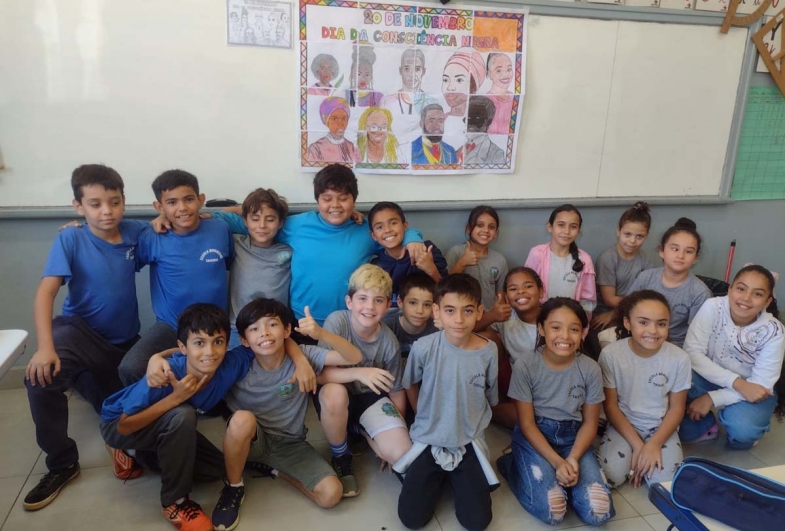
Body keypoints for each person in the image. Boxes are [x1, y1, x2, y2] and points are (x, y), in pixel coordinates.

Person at [22, 164, 146, 511]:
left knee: (125, 409)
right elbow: (45, 293)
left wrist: (170, 218)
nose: (107, 211)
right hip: (77, 332)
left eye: (114, 202)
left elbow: (171, 221)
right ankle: (62, 463)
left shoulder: (136, 232)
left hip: (123, 343)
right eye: (95, 204)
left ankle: (87, 386)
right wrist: (45, 348)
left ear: (124, 202)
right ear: (78, 206)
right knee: (40, 377)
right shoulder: (71, 238)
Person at [211, 298, 364, 530]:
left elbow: (354, 358)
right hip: (251, 440)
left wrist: (321, 334)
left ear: (287, 330)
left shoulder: (303, 356)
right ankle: (234, 487)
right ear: (244, 340)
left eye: (272, 324)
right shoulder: (237, 363)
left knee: (331, 494)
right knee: (242, 419)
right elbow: (198, 361)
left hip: (290, 444)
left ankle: (274, 470)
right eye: (254, 329)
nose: (264, 333)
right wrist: (157, 359)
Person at [212, 164, 425, 327]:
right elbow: (246, 223)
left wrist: (413, 238)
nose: (335, 205)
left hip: (348, 323)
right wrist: (206, 217)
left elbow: (395, 234)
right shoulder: (296, 225)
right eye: (327, 198)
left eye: (343, 198)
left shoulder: (365, 231)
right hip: (300, 321)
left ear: (354, 200)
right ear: (317, 199)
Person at [101, 304, 239, 531]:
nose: (210, 352)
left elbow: (263, 345)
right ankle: (176, 502)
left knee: (216, 468)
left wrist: (300, 361)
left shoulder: (230, 363)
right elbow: (124, 426)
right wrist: (176, 397)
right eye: (199, 343)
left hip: (164, 423)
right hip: (117, 425)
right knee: (182, 415)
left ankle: (135, 453)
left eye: (218, 341)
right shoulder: (164, 374)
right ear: (183, 347)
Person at [496, 298, 615, 526]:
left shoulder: (590, 368)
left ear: (583, 332)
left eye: (574, 329)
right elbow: (527, 423)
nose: (565, 336)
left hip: (573, 438)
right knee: (554, 510)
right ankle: (511, 464)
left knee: (598, 512)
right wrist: (558, 463)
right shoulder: (525, 365)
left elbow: (590, 422)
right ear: (541, 328)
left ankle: (563, 480)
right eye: (556, 327)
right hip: (535, 435)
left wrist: (573, 459)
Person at [395, 274, 499, 531]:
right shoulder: (423, 347)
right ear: (437, 312)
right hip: (429, 437)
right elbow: (409, 382)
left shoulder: (488, 350)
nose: (459, 319)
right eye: (450, 310)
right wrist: (422, 413)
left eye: (467, 310)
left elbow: (490, 395)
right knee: (411, 519)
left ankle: (457, 477)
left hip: (468, 438)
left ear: (479, 312)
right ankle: (437, 476)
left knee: (477, 522)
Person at [118, 170, 234, 386]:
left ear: (201, 200)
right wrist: (80, 230)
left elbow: (227, 263)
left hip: (216, 326)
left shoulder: (219, 228)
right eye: (172, 202)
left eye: (188, 199)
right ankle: (167, 403)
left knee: (240, 364)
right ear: (159, 207)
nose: (182, 208)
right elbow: (119, 243)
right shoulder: (152, 237)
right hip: (171, 325)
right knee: (131, 367)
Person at [314, 265, 411, 498]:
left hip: (370, 397)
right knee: (335, 394)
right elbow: (319, 375)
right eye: (363, 298)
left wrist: (397, 429)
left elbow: (396, 391)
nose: (369, 307)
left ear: (388, 306)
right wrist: (359, 373)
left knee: (400, 453)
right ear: (349, 302)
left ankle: (359, 428)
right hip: (336, 394)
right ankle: (341, 455)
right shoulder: (337, 322)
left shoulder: (389, 342)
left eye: (378, 300)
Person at [679, 265, 784, 449]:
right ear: (730, 289)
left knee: (743, 434)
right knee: (679, 420)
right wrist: (736, 383)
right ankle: (707, 424)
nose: (746, 298)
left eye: (757, 294)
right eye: (741, 289)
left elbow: (760, 386)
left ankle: (746, 423)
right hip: (709, 379)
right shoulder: (713, 307)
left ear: (767, 301)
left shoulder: (774, 331)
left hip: (751, 389)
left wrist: (712, 398)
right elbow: (692, 353)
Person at [597, 290, 691, 488]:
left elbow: (677, 408)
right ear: (627, 323)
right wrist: (639, 447)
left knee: (663, 484)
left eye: (661, 324)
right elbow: (610, 406)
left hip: (660, 427)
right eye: (643, 322)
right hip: (624, 425)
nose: (653, 331)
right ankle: (627, 449)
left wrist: (654, 445)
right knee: (611, 477)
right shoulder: (611, 355)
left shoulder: (679, 358)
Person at [628, 218, 711, 348]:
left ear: (695, 257)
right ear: (662, 251)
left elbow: (697, 336)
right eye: (675, 249)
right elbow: (627, 309)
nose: (680, 256)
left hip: (674, 347)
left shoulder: (700, 292)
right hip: (640, 338)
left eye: (688, 251)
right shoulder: (646, 277)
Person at [477, 267, 543, 429]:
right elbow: (469, 329)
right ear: (506, 296)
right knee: (485, 335)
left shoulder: (552, 318)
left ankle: (490, 409)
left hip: (542, 384)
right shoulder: (506, 316)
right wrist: (491, 316)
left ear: (541, 292)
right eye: (513, 289)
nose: (521, 291)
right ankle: (490, 403)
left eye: (528, 286)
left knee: (533, 421)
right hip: (513, 377)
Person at [226, 188, 292, 349]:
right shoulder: (236, 243)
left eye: (270, 219)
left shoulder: (289, 251)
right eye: (255, 219)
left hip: (275, 330)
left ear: (280, 222)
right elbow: (215, 218)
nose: (262, 225)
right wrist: (238, 209)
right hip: (237, 329)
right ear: (245, 221)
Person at [587, 202, 654, 359]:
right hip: (604, 313)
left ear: (646, 235)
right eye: (627, 234)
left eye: (639, 236)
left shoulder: (646, 260)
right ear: (618, 231)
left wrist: (617, 312)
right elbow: (610, 299)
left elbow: (647, 296)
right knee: (610, 351)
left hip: (630, 312)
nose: (632, 241)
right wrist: (615, 312)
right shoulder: (608, 258)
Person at [525, 204, 597, 318]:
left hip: (571, 320)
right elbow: (527, 288)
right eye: (561, 225)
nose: (566, 231)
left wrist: (579, 323)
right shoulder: (537, 253)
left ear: (579, 231)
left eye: (573, 227)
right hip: (539, 318)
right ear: (550, 227)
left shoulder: (585, 259)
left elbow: (587, 300)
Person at [369, 201, 447, 303]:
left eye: (393, 223)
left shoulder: (426, 250)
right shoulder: (376, 266)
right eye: (379, 227)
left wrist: (431, 269)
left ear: (405, 226)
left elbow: (447, 291)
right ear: (374, 235)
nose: (387, 230)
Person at [446, 205, 509, 315]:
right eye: (480, 225)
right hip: (462, 316)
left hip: (490, 317)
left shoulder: (499, 259)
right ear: (469, 228)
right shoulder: (456, 252)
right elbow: (444, 285)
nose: (486, 230)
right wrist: (462, 263)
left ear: (496, 232)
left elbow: (500, 292)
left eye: (491, 227)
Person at [380, 49, 437, 144]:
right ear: (400, 70)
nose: (411, 74)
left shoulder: (431, 103)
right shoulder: (388, 102)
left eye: (417, 69)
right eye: (407, 69)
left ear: (423, 71)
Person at [382, 273, 440, 360]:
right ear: (400, 302)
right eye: (413, 303)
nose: (420, 311)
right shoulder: (385, 327)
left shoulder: (436, 331)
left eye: (427, 305)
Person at [306, 97, 359, 163]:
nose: (340, 124)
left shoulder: (352, 148)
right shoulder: (316, 148)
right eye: (334, 119)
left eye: (344, 119)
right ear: (326, 120)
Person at [462, 96, 506, 166]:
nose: (470, 123)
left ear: (489, 121)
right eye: (468, 118)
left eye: (477, 118)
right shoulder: (457, 150)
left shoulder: (496, 153)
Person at [484, 53, 515, 135]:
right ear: (489, 74)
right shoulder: (485, 101)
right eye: (499, 70)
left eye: (509, 69)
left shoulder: (514, 98)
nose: (505, 74)